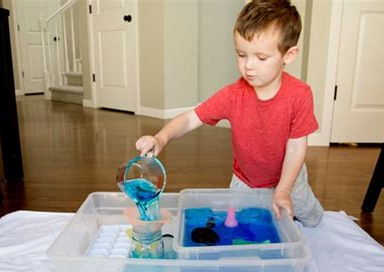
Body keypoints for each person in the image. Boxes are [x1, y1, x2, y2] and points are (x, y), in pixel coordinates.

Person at [135, 0, 323, 227]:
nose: (248, 66)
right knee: (239, 225)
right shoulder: (233, 95)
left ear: (289, 55)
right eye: (242, 55)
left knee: (312, 221)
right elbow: (190, 118)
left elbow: (296, 147)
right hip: (244, 180)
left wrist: (283, 190)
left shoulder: (300, 94)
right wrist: (160, 137)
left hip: (289, 180)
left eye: (260, 58)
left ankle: (307, 211)